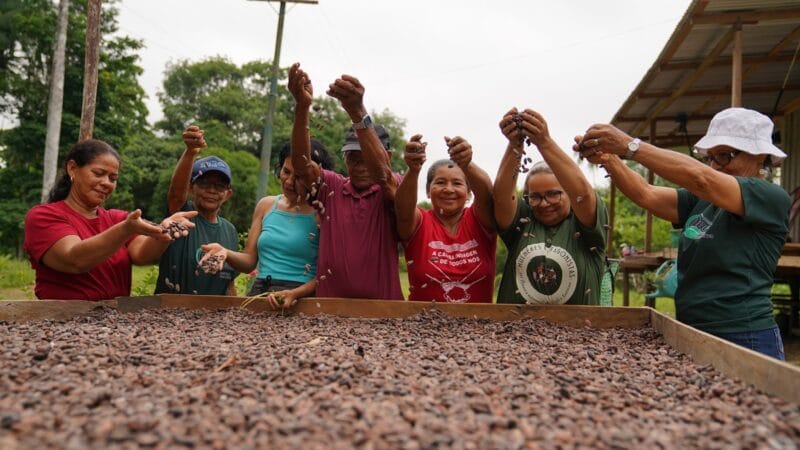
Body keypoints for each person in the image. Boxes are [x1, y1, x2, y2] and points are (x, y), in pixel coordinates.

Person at [576, 107, 788, 360]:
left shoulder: (769, 196)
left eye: (725, 156)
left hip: (744, 333)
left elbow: (702, 179)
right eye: (710, 157)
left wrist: (630, 146)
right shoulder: (703, 201)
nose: (714, 166)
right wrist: (609, 159)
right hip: (691, 328)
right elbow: (646, 193)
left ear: (760, 155)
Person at [24, 139, 196, 301]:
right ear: (72, 169)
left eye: (113, 179)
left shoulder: (117, 218)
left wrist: (165, 232)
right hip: (62, 321)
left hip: (114, 321)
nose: (107, 183)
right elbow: (75, 260)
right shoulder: (43, 216)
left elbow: (141, 254)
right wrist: (125, 229)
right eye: (98, 174)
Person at [287, 62, 404, 300]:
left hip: (384, 311)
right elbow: (301, 165)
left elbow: (383, 174)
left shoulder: (393, 187)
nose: (360, 167)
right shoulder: (332, 187)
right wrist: (302, 106)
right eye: (352, 158)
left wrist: (357, 112)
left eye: (366, 159)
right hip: (328, 308)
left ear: (387, 157)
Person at [200, 141, 335, 308]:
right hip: (261, 291)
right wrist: (225, 252)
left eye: (299, 176)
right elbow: (249, 261)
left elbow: (330, 273)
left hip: (301, 298)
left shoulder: (324, 212)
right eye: (286, 172)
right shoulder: (266, 205)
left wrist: (295, 293)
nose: (289, 182)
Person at [494, 108, 608, 305]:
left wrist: (543, 141)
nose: (544, 203)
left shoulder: (586, 223)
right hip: (514, 331)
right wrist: (515, 143)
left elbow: (583, 194)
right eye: (535, 197)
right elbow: (502, 198)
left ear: (569, 194)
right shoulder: (525, 220)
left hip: (580, 332)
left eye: (554, 194)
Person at [396, 134, 496, 303]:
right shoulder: (420, 222)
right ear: (428, 190)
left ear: (469, 193)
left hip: (479, 326)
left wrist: (467, 164)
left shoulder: (479, 219)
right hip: (421, 326)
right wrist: (413, 170)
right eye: (440, 182)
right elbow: (402, 210)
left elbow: (487, 196)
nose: (449, 189)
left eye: (457, 183)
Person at [154, 126, 238, 296]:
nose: (212, 191)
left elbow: (229, 282)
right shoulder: (181, 216)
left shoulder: (230, 231)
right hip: (169, 312)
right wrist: (190, 152)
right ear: (191, 188)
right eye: (204, 183)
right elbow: (176, 195)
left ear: (228, 194)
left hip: (214, 316)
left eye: (219, 186)